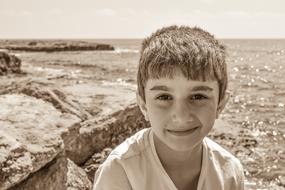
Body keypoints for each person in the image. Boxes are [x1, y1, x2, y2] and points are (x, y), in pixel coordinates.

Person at [93, 25, 245, 190]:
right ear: (143, 106)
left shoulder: (230, 172)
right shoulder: (120, 171)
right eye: (164, 97)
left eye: (198, 96)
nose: (181, 116)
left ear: (220, 104)